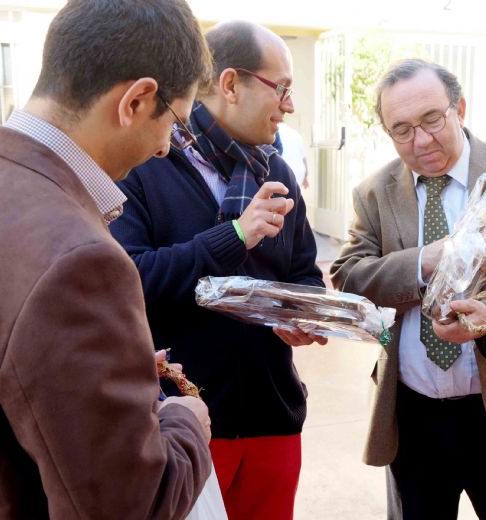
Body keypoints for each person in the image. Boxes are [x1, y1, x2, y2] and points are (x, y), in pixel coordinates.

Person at [0, 1, 214, 518]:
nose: (166, 149)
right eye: (176, 124)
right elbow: (131, 504)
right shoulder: (81, 261)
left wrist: (117, 368)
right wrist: (185, 422)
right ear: (136, 101)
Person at [330, 59, 486, 520]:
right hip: (414, 417)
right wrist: (430, 258)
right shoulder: (374, 193)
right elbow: (348, 275)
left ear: (459, 108)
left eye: (431, 120)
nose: (420, 141)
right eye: (401, 129)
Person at [110, 20, 326, 520]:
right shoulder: (145, 164)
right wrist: (234, 237)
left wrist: (304, 313)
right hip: (185, 424)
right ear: (230, 84)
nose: (289, 106)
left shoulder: (276, 170)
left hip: (272, 417)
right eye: (283, 88)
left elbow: (304, 273)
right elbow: (131, 280)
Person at [278, 121, 310, 189]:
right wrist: (305, 176)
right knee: (295, 196)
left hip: (283, 173)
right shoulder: (296, 133)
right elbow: (303, 158)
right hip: (298, 172)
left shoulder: (273, 133)